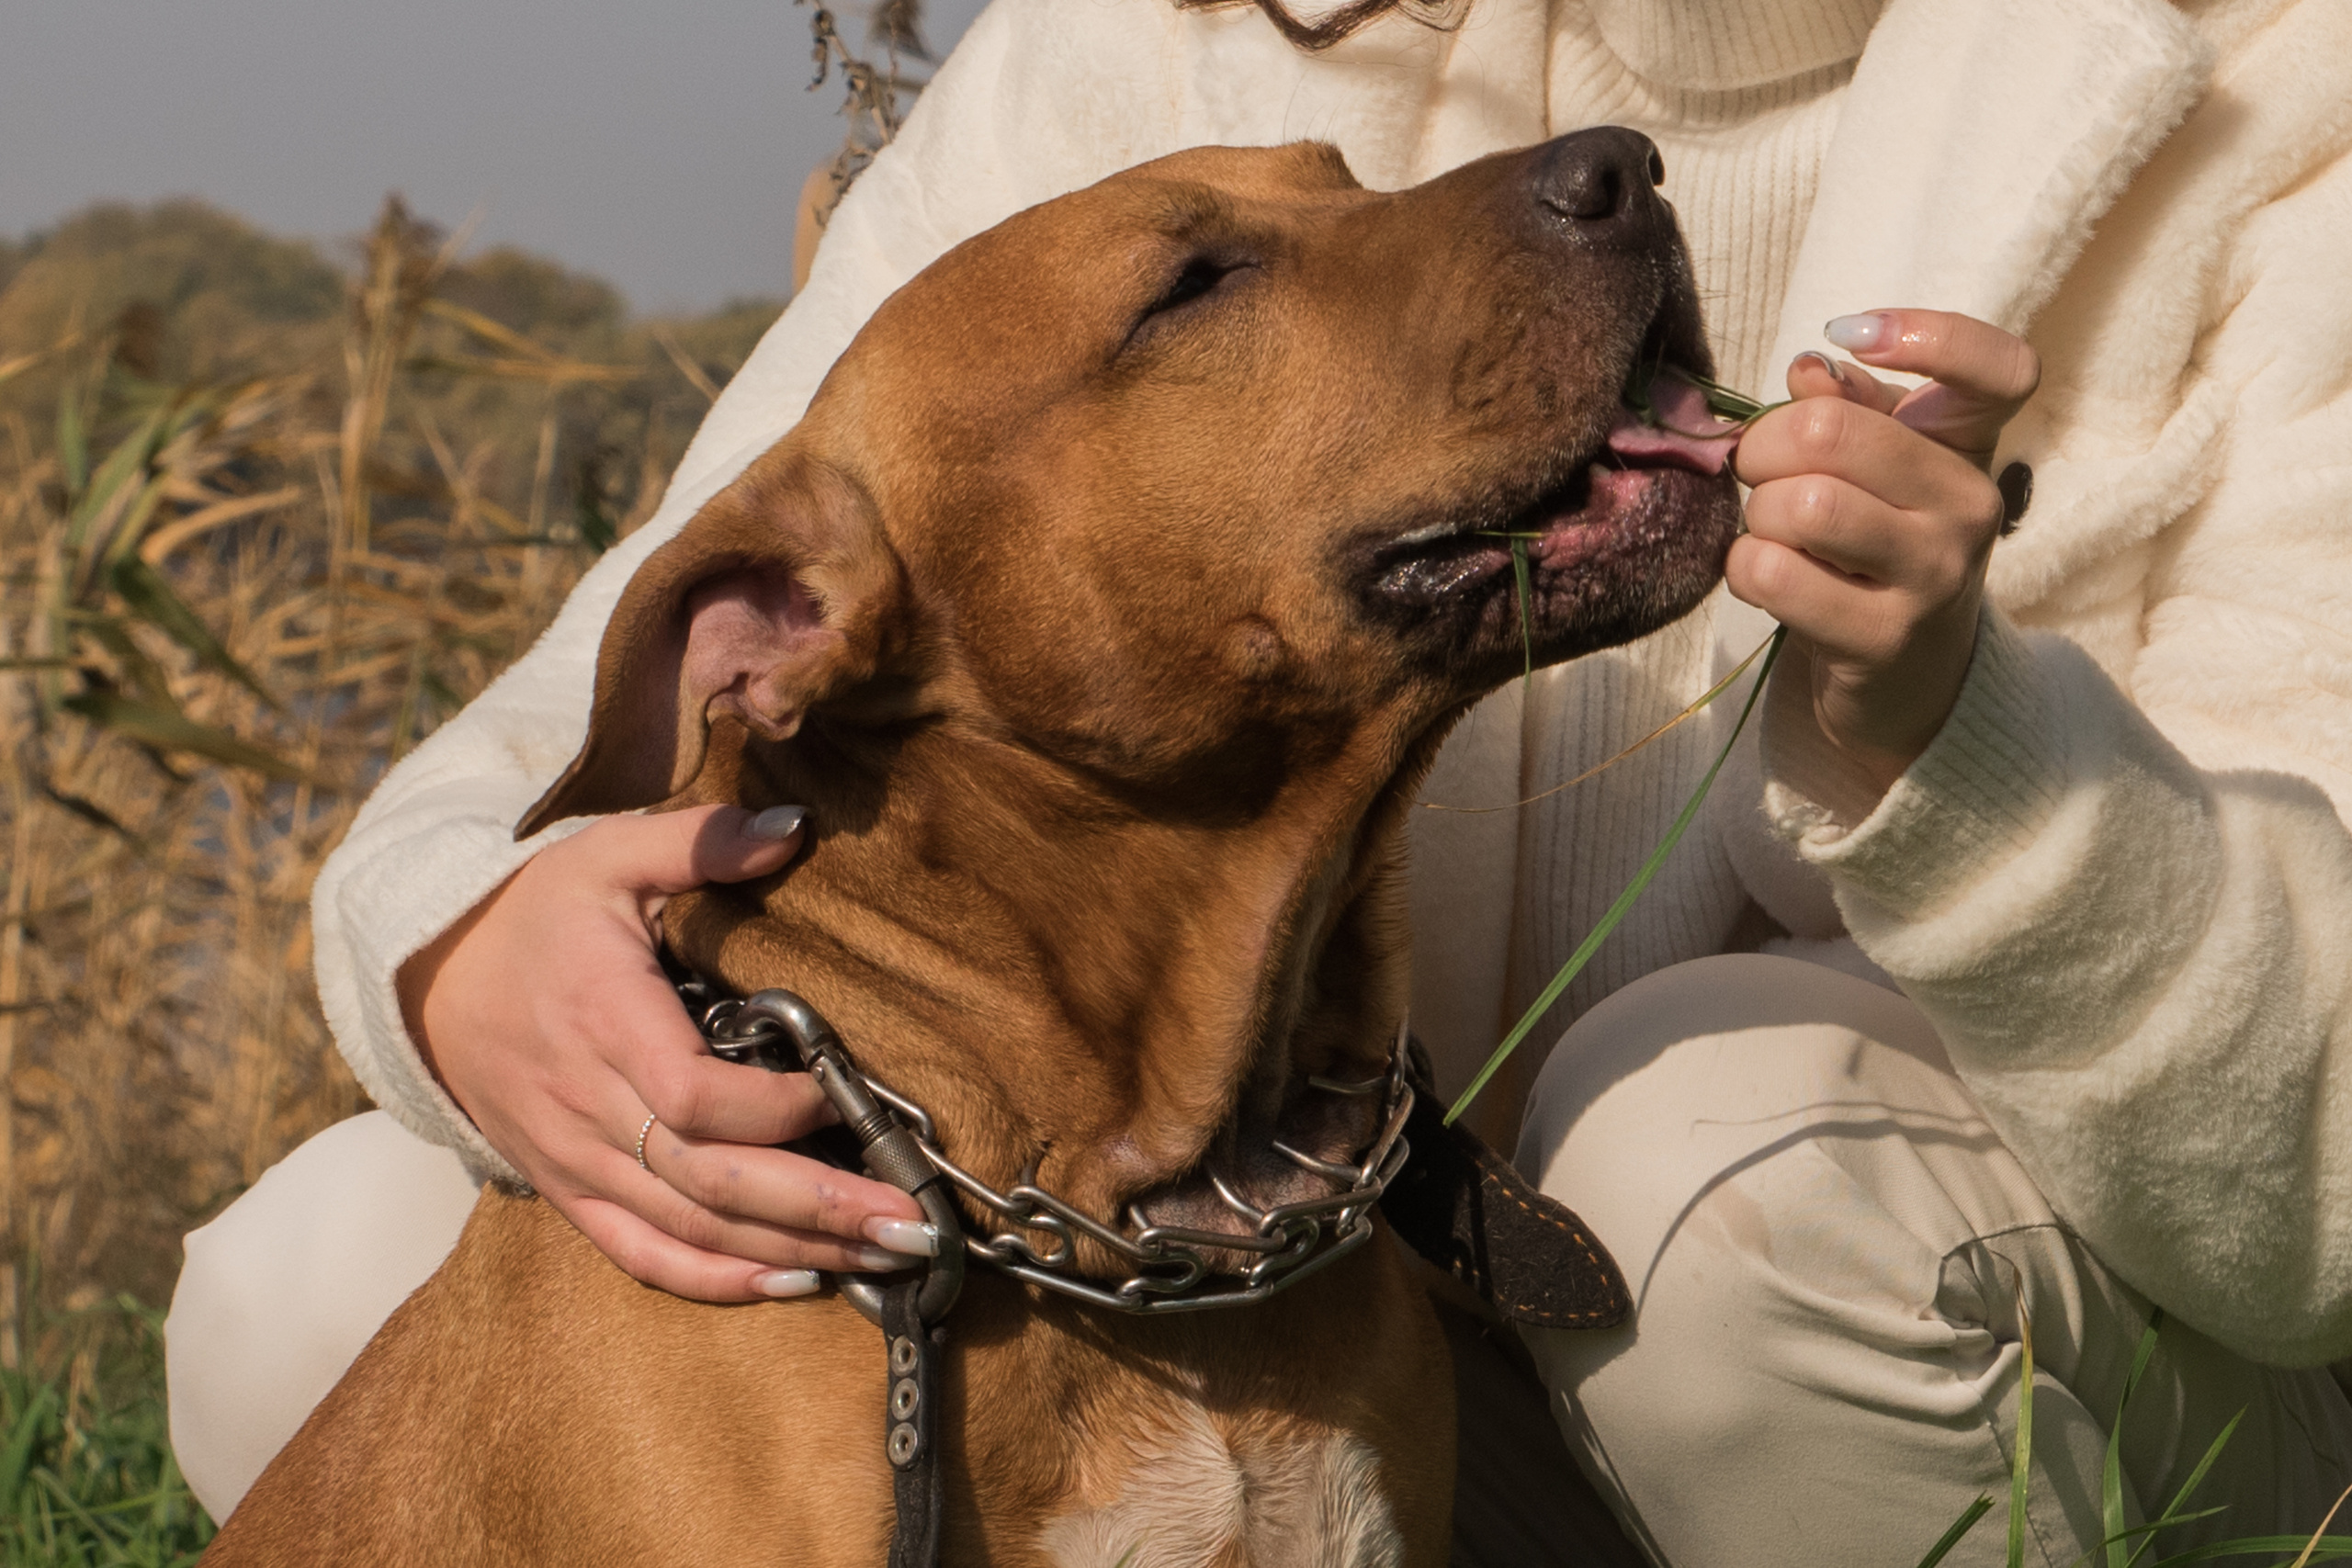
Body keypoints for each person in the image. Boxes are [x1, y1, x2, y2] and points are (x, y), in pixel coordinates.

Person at [164, 0, 2352, 1559]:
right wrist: (481, 947)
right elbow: (564, 724)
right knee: (329, 1258)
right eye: (1213, 276)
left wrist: (1954, 742)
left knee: (1712, 1162)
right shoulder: (1168, 37)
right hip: (1304, 1276)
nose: (1578, 204)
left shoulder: (2273, 83)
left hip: (1898, 1356)